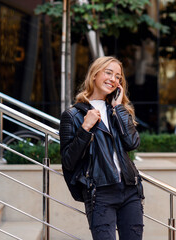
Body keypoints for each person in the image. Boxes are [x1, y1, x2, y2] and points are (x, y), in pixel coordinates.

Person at [60, 56, 144, 240]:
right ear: (95, 74)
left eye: (118, 77)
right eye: (108, 73)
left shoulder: (119, 111)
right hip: (100, 193)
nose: (113, 79)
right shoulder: (72, 115)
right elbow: (68, 160)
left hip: (130, 190)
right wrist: (85, 128)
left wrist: (118, 108)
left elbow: (132, 143)